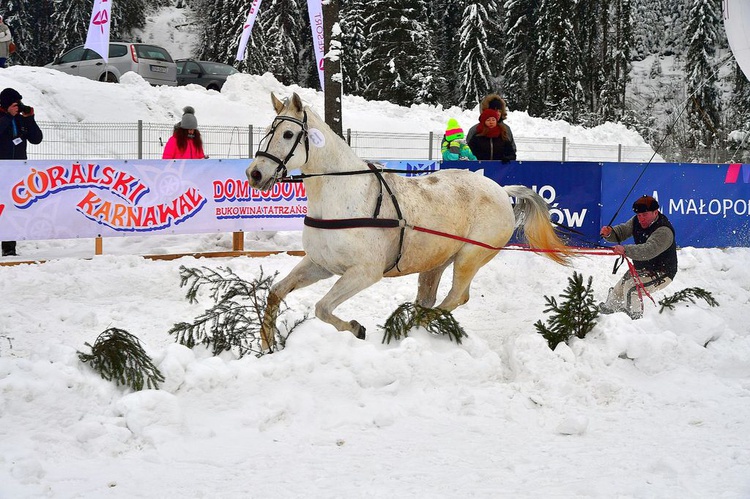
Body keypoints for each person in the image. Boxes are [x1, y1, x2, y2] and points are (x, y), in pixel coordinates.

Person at [599, 195, 678, 320]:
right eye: (639, 215)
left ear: (655, 212)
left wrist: (625, 249)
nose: (641, 218)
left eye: (644, 215)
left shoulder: (663, 230)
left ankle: (634, 322)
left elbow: (648, 250)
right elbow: (623, 231)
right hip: (642, 268)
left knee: (632, 289)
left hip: (662, 272)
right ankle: (607, 314)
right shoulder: (637, 220)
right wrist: (610, 233)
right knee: (619, 289)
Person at [0, 87, 44, 256]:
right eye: (14, 104)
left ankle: (9, 248)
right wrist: (7, 117)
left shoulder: (20, 120)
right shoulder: (3, 117)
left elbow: (37, 139)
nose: (17, 106)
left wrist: (30, 119)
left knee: (11, 209)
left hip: (17, 171)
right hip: (1, 168)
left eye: (18, 103)